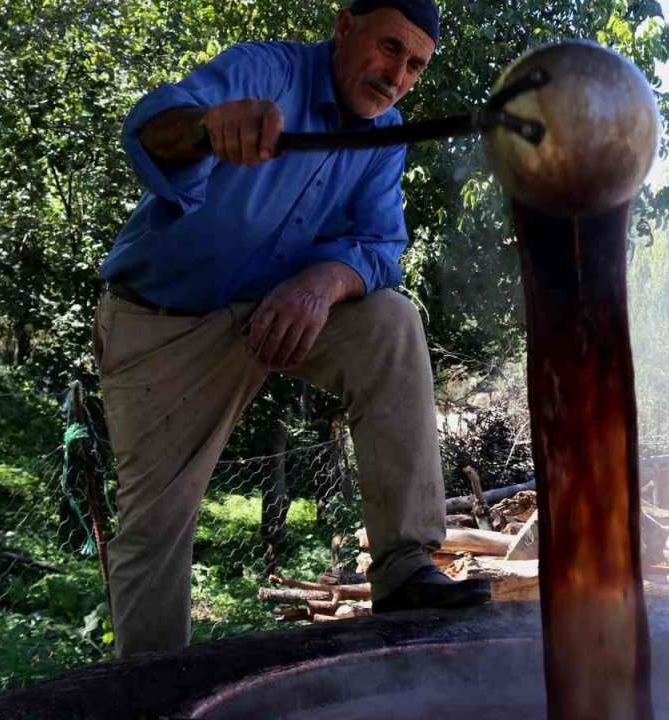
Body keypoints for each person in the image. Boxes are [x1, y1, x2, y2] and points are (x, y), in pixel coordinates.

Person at [93, 0, 491, 659]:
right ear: (344, 27)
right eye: (389, 48)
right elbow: (148, 132)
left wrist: (324, 281)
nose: (398, 75)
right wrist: (206, 128)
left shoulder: (383, 133)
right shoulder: (263, 71)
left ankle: (403, 568)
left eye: (416, 64)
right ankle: (153, 695)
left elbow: (379, 245)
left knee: (391, 320)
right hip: (161, 325)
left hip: (271, 312)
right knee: (152, 532)